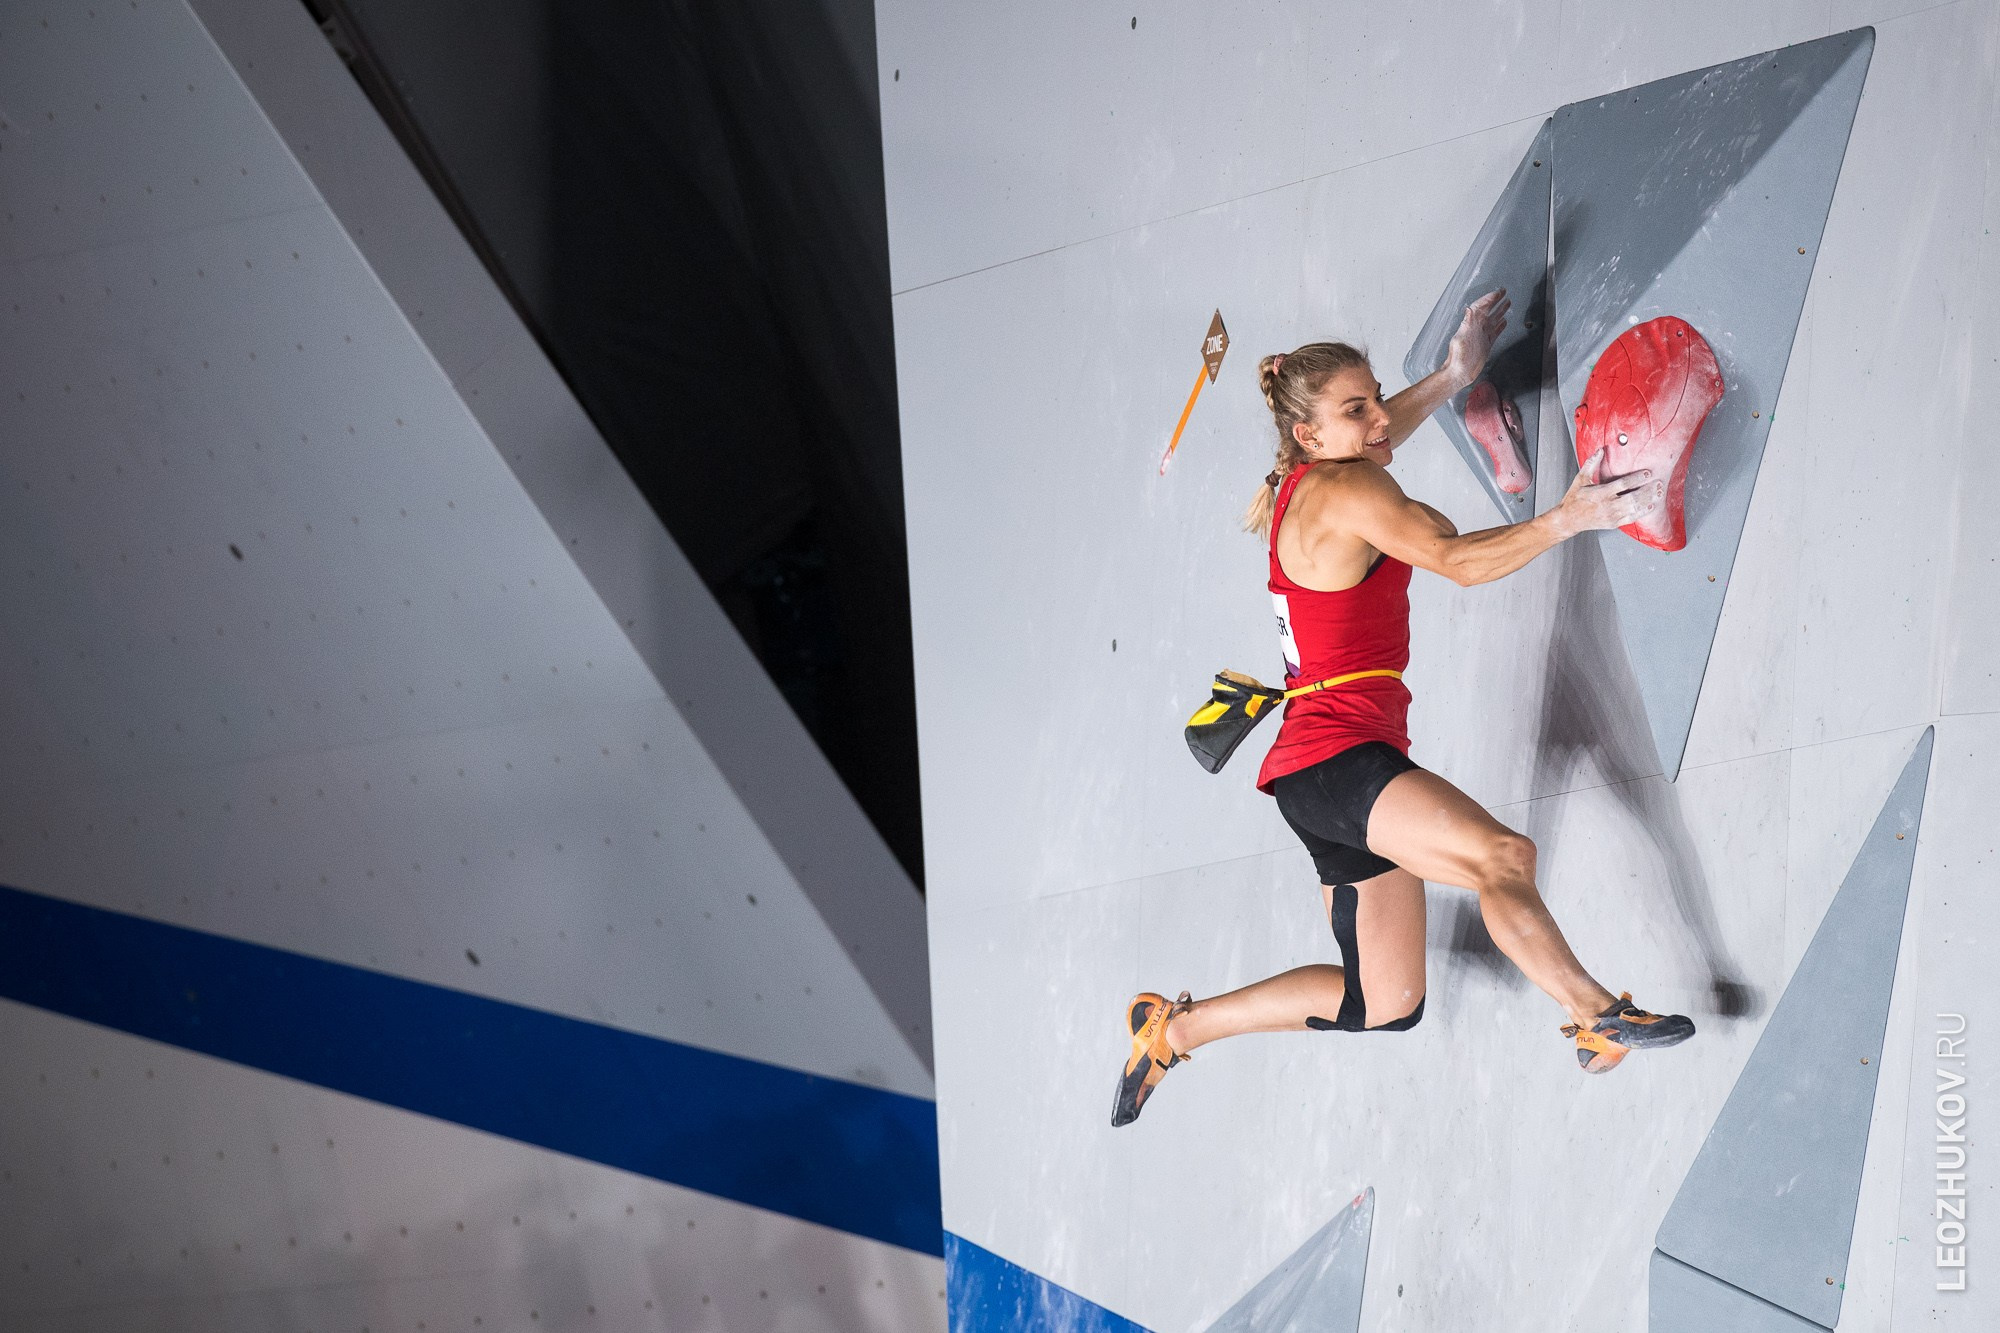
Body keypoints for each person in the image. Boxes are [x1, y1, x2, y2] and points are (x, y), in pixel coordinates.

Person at [1113, 291, 1695, 1128]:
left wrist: (1454, 375)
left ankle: (1175, 1030)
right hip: (1337, 762)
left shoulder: (1306, 478)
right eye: (1358, 408)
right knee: (1502, 857)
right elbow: (1456, 561)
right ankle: (1597, 1016)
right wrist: (1568, 519)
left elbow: (1375, 436)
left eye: (1379, 394)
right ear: (1309, 434)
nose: (1381, 415)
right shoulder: (1345, 494)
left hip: (1319, 776)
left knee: (1382, 1003)